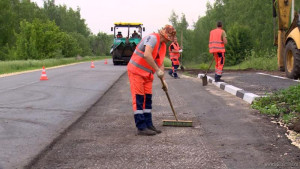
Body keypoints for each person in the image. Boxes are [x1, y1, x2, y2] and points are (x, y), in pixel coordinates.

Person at [127, 25, 176, 136]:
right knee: (139, 98)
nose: (170, 39)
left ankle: (148, 124)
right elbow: (147, 55)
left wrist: (163, 80)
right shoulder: (153, 38)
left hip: (147, 75)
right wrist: (157, 70)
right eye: (170, 36)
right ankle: (141, 127)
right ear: (165, 34)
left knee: (147, 99)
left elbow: (161, 63)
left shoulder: (162, 45)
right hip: (136, 71)